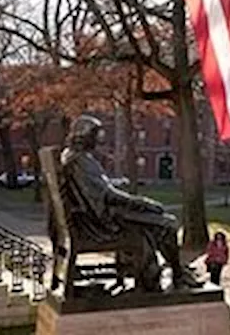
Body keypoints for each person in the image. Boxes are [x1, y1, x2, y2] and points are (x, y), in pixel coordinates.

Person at [57, 115, 198, 290]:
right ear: (84, 136)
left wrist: (141, 204)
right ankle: (175, 277)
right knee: (167, 224)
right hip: (102, 223)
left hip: (94, 218)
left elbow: (102, 193)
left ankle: (161, 276)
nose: (98, 140)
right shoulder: (80, 161)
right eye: (95, 135)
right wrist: (142, 203)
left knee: (156, 220)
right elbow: (108, 195)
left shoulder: (73, 156)